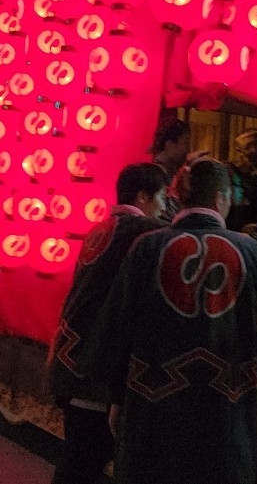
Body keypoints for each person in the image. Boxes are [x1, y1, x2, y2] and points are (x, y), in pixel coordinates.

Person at [100, 158, 257, 484]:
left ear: (183, 196)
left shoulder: (147, 246)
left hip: (155, 400)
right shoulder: (246, 249)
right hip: (222, 405)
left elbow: (118, 326)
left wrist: (116, 396)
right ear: (222, 197)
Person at [49, 163, 169, 484]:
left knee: (79, 458)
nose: (164, 207)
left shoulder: (103, 228)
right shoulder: (141, 232)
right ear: (142, 196)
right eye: (161, 197)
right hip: (94, 363)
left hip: (73, 355)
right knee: (84, 462)